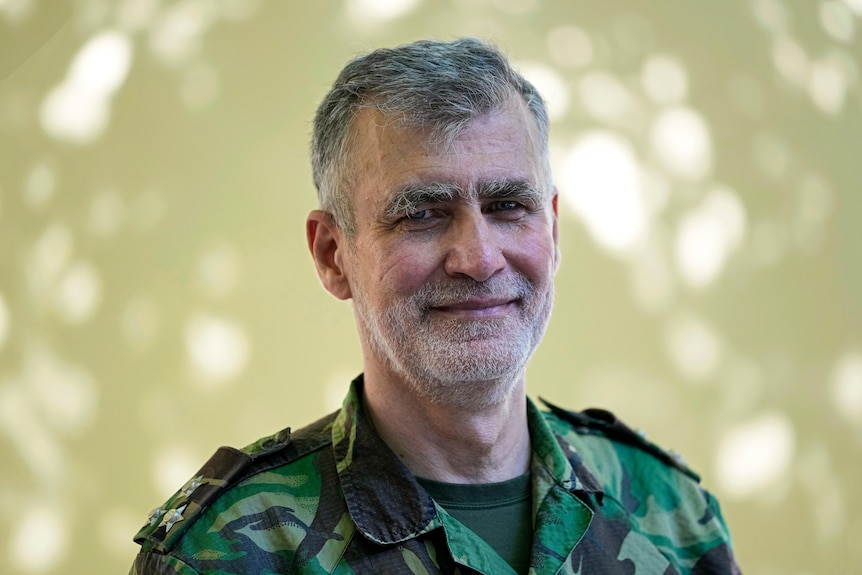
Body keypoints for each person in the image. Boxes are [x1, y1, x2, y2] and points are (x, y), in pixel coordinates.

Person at [130, 38, 741, 574]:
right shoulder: (228, 555)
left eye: (508, 206)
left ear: (552, 232)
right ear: (332, 254)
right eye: (421, 214)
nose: (478, 258)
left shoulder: (670, 514)